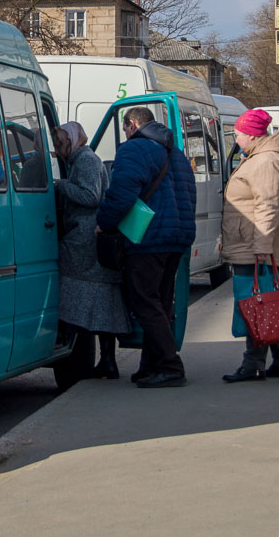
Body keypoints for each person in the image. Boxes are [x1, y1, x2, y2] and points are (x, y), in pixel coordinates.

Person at [96, 106, 197, 389]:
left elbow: (121, 193)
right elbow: (189, 193)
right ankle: (150, 366)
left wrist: (103, 223)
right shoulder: (175, 153)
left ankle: (170, 365)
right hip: (176, 238)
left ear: (131, 124)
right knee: (161, 303)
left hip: (147, 239)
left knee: (144, 302)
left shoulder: (133, 150)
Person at [219, 109, 279, 382]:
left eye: (238, 134)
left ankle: (252, 364)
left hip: (256, 247)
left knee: (255, 305)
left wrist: (262, 245)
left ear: (252, 135)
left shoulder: (265, 161)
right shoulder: (263, 157)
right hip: (255, 245)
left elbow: (268, 204)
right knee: (270, 302)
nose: (236, 139)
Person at [54, 121, 131, 379]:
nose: (57, 147)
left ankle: (87, 358)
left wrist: (60, 185)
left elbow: (90, 196)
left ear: (72, 140)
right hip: (89, 241)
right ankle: (107, 360)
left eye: (60, 141)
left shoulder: (85, 160)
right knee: (101, 303)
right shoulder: (82, 159)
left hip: (86, 241)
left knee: (80, 296)